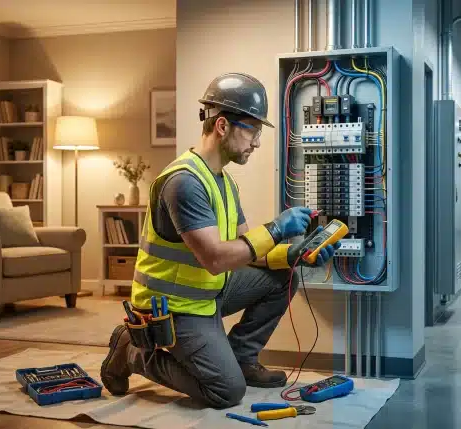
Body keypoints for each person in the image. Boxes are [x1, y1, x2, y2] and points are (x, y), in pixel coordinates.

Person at [100, 72, 339, 409]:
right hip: (173, 306)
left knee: (283, 277)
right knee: (227, 392)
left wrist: (295, 254)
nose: (257, 142)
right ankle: (133, 351)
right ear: (223, 126)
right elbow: (214, 258)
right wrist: (276, 228)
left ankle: (241, 359)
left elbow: (246, 249)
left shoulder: (224, 182)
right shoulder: (184, 183)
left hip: (208, 292)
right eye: (253, 131)